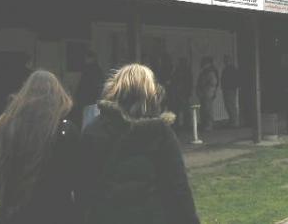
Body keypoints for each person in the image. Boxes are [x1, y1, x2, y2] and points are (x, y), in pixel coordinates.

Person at [78, 64, 200, 224]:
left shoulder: (93, 131)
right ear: (149, 94)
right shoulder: (159, 132)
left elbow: (84, 187)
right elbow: (178, 188)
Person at [0, 70, 79, 224]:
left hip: (14, 215)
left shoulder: (5, 126)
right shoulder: (65, 130)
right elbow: (75, 179)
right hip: (57, 214)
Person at [71, 50, 104, 128]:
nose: (86, 60)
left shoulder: (90, 70)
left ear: (91, 58)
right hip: (92, 100)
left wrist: (77, 96)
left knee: (87, 119)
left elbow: (84, 85)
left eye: (87, 58)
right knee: (91, 119)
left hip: (88, 99)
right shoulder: (97, 70)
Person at [169, 57, 193, 129]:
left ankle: (186, 125)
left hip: (183, 93)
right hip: (178, 93)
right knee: (178, 110)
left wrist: (188, 92)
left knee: (185, 110)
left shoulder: (185, 71)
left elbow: (189, 83)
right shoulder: (178, 70)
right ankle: (181, 125)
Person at [196, 57, 219, 131]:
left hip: (207, 92)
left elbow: (213, 82)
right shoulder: (205, 72)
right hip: (204, 92)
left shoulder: (210, 72)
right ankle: (205, 124)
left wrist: (204, 87)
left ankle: (209, 125)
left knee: (207, 109)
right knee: (204, 109)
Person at [221, 55, 240, 128]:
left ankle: (234, 121)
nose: (225, 61)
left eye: (226, 60)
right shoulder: (227, 69)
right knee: (228, 105)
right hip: (227, 89)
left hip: (230, 89)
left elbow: (236, 79)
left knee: (231, 105)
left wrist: (233, 87)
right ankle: (232, 120)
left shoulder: (231, 69)